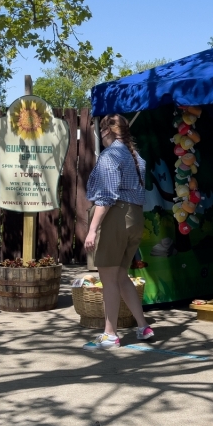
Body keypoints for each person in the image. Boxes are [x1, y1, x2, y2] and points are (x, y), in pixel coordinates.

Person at [82, 114, 154, 350]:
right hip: (135, 218)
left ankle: (110, 334)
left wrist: (92, 230)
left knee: (108, 278)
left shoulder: (111, 154)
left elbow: (107, 197)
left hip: (118, 217)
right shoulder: (137, 157)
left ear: (106, 132)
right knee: (121, 275)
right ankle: (143, 327)